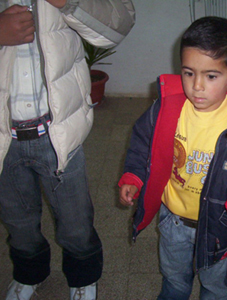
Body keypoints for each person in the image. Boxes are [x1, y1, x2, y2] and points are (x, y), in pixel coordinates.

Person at [118, 16, 227, 300]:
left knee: (214, 285)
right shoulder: (166, 109)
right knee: (174, 279)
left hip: (216, 225)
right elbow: (141, 142)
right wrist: (134, 176)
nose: (197, 86)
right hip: (173, 219)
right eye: (189, 73)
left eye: (211, 76)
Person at [0, 0, 135, 299]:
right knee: (17, 220)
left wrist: (69, 3)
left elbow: (118, 24)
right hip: (2, 136)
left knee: (75, 221)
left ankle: (83, 278)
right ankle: (28, 273)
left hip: (57, 131)